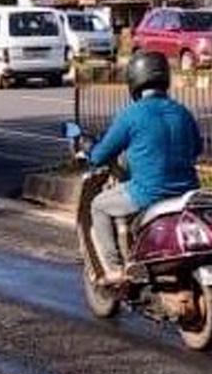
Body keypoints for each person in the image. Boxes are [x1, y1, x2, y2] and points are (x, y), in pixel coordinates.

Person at [87, 50, 203, 284]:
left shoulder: (131, 115)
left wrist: (89, 152)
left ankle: (114, 270)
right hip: (187, 194)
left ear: (134, 81)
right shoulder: (182, 112)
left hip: (149, 194)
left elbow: (99, 155)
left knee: (99, 205)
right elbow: (197, 149)